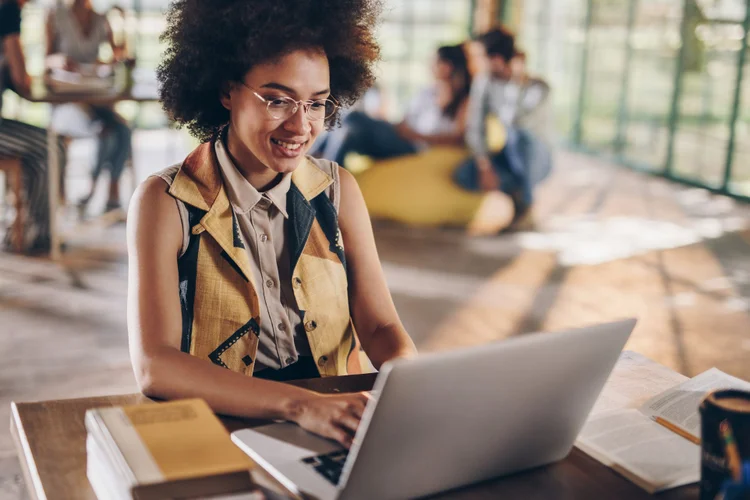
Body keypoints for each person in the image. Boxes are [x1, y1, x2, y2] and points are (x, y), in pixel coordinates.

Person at [127, 0, 417, 448]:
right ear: (227, 91)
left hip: (338, 416)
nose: (301, 125)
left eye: (317, 103)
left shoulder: (337, 190)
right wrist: (300, 405)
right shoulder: (165, 203)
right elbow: (155, 366)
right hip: (225, 419)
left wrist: (411, 384)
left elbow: (380, 329)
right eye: (278, 100)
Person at [312, 43, 472, 166]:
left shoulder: (464, 100)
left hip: (413, 147)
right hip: (402, 136)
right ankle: (321, 168)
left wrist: (417, 136)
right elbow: (404, 123)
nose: (429, 66)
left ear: (447, 67)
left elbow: (458, 138)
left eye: (434, 62)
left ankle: (316, 160)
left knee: (353, 118)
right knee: (348, 131)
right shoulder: (427, 92)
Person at [456, 28, 553, 227]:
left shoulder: (538, 87)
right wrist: (484, 164)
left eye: (479, 57)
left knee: (520, 135)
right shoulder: (484, 82)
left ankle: (526, 204)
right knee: (465, 175)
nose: (474, 63)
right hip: (509, 157)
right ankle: (520, 198)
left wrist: (515, 82)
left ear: (497, 59)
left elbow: (518, 122)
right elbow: (475, 126)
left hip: (535, 159)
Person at [46, 0, 132, 213]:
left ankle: (112, 196)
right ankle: (90, 191)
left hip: (96, 101)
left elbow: (118, 55)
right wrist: (60, 61)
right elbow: (46, 59)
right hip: (66, 103)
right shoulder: (54, 15)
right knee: (105, 133)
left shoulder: (101, 19)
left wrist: (122, 28)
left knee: (123, 131)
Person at [0, 0, 67, 253]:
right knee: (52, 147)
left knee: (42, 153)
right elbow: (21, 78)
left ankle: (25, 230)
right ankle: (39, 234)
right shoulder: (7, 11)